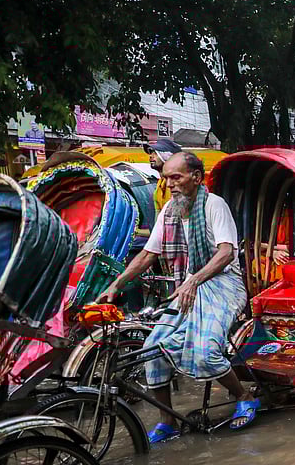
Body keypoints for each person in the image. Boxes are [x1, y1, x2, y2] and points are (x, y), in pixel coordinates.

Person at [97, 152, 254, 442]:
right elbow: (147, 254)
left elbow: (226, 252)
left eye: (176, 177)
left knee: (205, 351)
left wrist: (194, 279)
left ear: (196, 177)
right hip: (188, 287)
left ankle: (244, 395)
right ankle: (167, 421)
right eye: (166, 177)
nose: (170, 184)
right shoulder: (169, 210)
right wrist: (117, 284)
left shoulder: (214, 205)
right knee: (152, 348)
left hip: (223, 285)